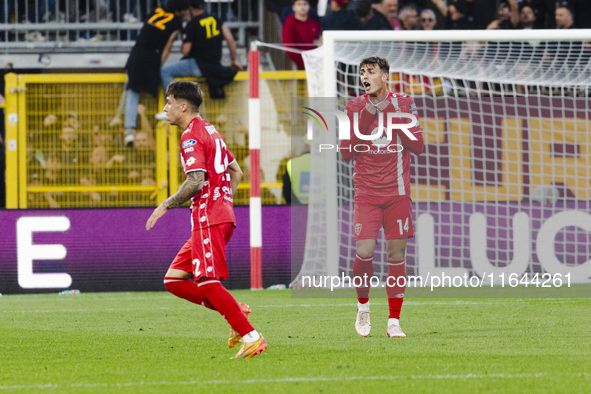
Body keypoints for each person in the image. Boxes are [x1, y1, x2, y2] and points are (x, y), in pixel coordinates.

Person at [145, 81, 267, 359]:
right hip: (217, 214)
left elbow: (196, 180)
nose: (165, 108)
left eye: (168, 102)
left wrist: (165, 204)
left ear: (182, 105)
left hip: (208, 216)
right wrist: (224, 201)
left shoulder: (191, 136)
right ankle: (235, 309)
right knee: (173, 280)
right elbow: (236, 172)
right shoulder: (211, 130)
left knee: (207, 281)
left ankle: (251, 336)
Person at [340, 56, 424, 338]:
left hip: (397, 194)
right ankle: (363, 307)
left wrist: (395, 118)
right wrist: (368, 118)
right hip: (366, 194)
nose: (365, 76)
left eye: (371, 72)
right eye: (362, 72)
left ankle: (394, 321)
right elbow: (346, 153)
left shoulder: (405, 102)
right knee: (364, 251)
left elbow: (418, 147)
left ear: (385, 77)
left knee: (396, 254)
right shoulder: (353, 107)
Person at [114, 0, 189, 148]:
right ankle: (173, 108)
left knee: (132, 90)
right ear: (179, 11)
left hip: (136, 53)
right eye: (185, 11)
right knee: (161, 78)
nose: (187, 14)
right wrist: (158, 64)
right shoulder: (176, 23)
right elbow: (168, 45)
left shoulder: (157, 11)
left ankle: (128, 129)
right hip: (151, 55)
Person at [159, 0, 243, 101]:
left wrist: (182, 45)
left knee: (165, 71)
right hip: (214, 66)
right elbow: (230, 40)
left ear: (191, 8)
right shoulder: (216, 19)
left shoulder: (192, 24)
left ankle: (171, 104)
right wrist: (233, 60)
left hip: (197, 65)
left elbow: (186, 50)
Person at [282, 0, 322, 70]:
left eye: (305, 4)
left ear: (309, 6)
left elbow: (319, 43)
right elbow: (289, 46)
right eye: (299, 4)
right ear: (293, 7)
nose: (302, 7)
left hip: (315, 63)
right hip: (298, 64)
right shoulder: (289, 22)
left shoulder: (315, 24)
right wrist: (302, 62)